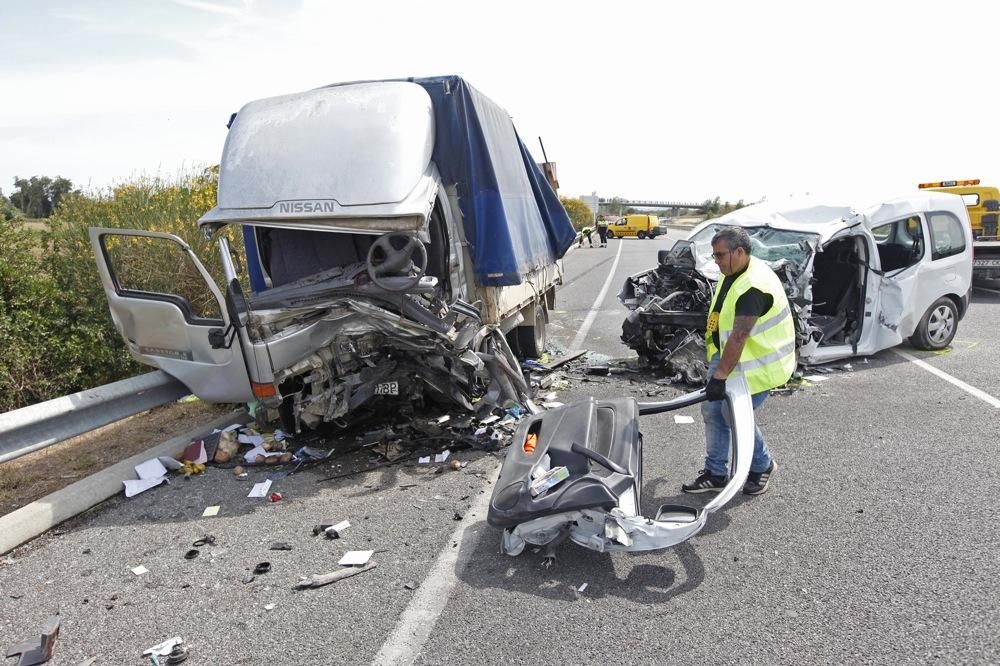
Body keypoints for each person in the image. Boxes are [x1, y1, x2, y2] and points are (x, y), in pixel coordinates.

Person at [681, 226, 795, 496]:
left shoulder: (754, 286)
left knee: (730, 415)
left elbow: (740, 336)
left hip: (758, 365)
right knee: (712, 411)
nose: (716, 261)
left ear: (740, 252)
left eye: (720, 255)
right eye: (714, 255)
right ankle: (716, 473)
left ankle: (762, 465)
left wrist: (720, 376)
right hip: (731, 357)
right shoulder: (734, 271)